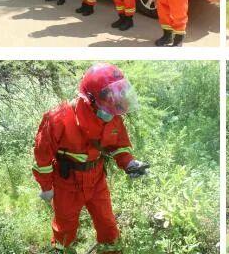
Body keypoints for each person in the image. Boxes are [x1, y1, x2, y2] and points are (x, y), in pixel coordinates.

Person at [32, 63, 149, 254]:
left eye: (117, 93)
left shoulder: (113, 114)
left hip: (96, 180)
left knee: (107, 223)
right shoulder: (58, 118)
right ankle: (61, 251)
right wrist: (46, 187)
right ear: (91, 98)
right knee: (65, 226)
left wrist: (129, 163)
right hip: (66, 183)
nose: (114, 101)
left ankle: (111, 251)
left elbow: (119, 145)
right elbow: (42, 157)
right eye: (108, 95)